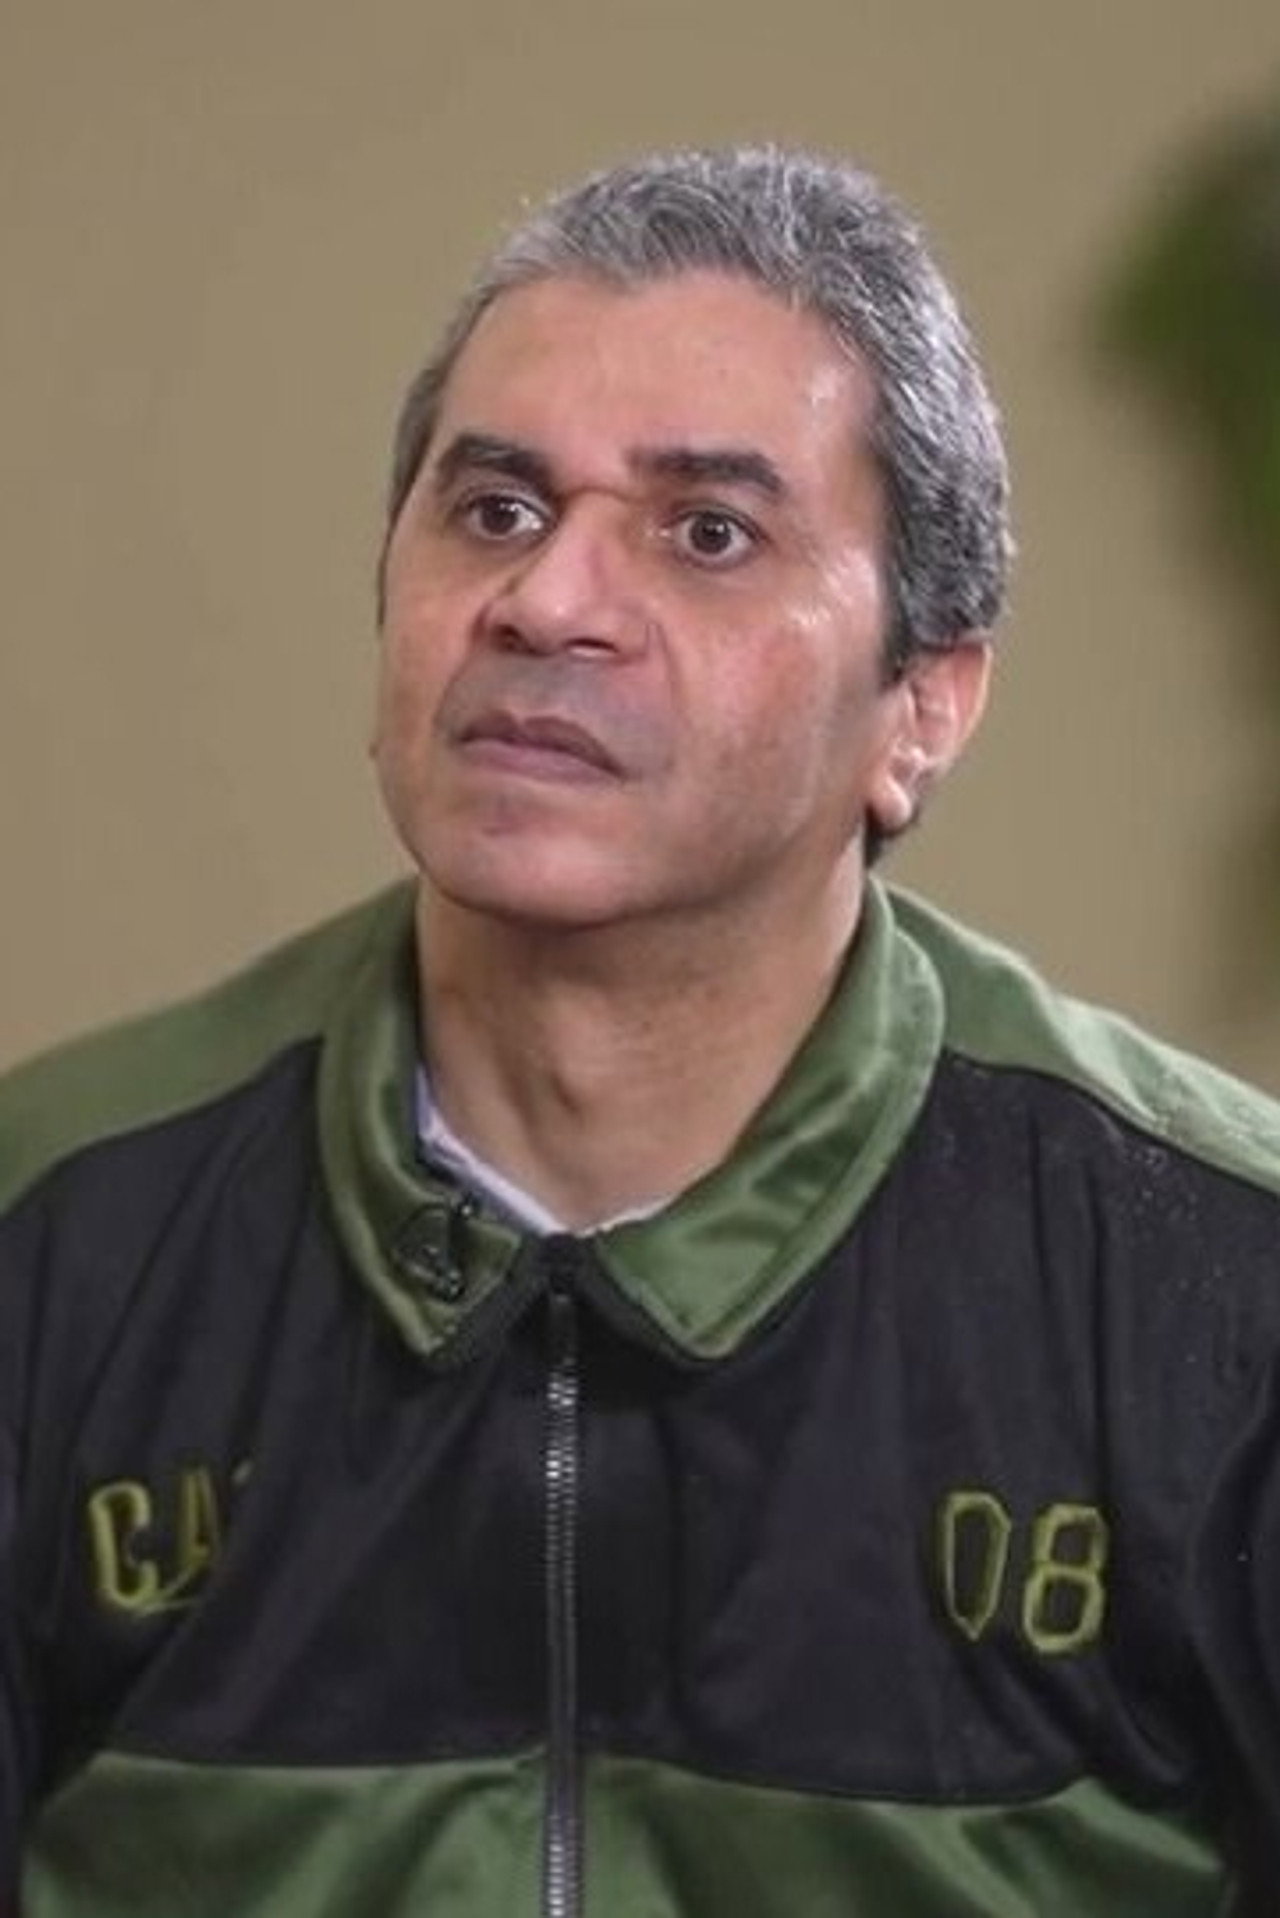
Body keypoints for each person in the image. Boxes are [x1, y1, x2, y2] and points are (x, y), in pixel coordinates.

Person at [2, 144, 1278, 1918]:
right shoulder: (55, 1234)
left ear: (922, 704)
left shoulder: (1220, 1284)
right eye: (495, 509)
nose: (546, 601)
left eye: (707, 533)